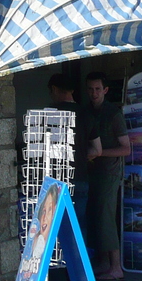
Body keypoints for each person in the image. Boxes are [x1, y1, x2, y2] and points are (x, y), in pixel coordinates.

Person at [80, 72, 131, 281]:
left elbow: (126, 149)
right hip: (91, 172)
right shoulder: (86, 111)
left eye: (98, 89)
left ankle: (116, 267)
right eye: (91, 89)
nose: (94, 93)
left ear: (105, 90)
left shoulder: (113, 114)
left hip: (109, 172)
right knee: (94, 216)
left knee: (106, 217)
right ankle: (103, 263)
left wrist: (100, 153)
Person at [47, 74, 101, 232]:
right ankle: (78, 257)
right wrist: (80, 154)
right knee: (77, 228)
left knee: (54, 229)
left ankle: (58, 257)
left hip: (54, 180)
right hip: (80, 177)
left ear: (55, 89)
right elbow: (97, 150)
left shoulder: (49, 114)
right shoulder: (86, 114)